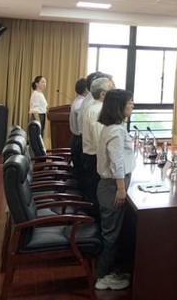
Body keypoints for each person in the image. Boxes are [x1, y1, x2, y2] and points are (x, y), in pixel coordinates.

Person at [95, 89, 135, 291]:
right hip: (112, 187)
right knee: (111, 234)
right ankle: (102, 276)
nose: (132, 106)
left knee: (114, 231)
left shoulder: (112, 127)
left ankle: (110, 270)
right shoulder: (116, 131)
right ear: (119, 107)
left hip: (111, 185)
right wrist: (120, 188)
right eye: (130, 103)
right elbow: (117, 162)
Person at [81, 76, 115, 214]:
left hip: (93, 158)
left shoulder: (96, 107)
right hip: (95, 159)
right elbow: (99, 141)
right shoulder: (98, 111)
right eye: (112, 89)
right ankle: (95, 224)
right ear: (103, 94)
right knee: (97, 198)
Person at [69, 78, 87, 175]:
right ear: (86, 89)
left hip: (77, 139)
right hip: (80, 140)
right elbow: (82, 127)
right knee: (81, 172)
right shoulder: (81, 104)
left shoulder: (78, 100)